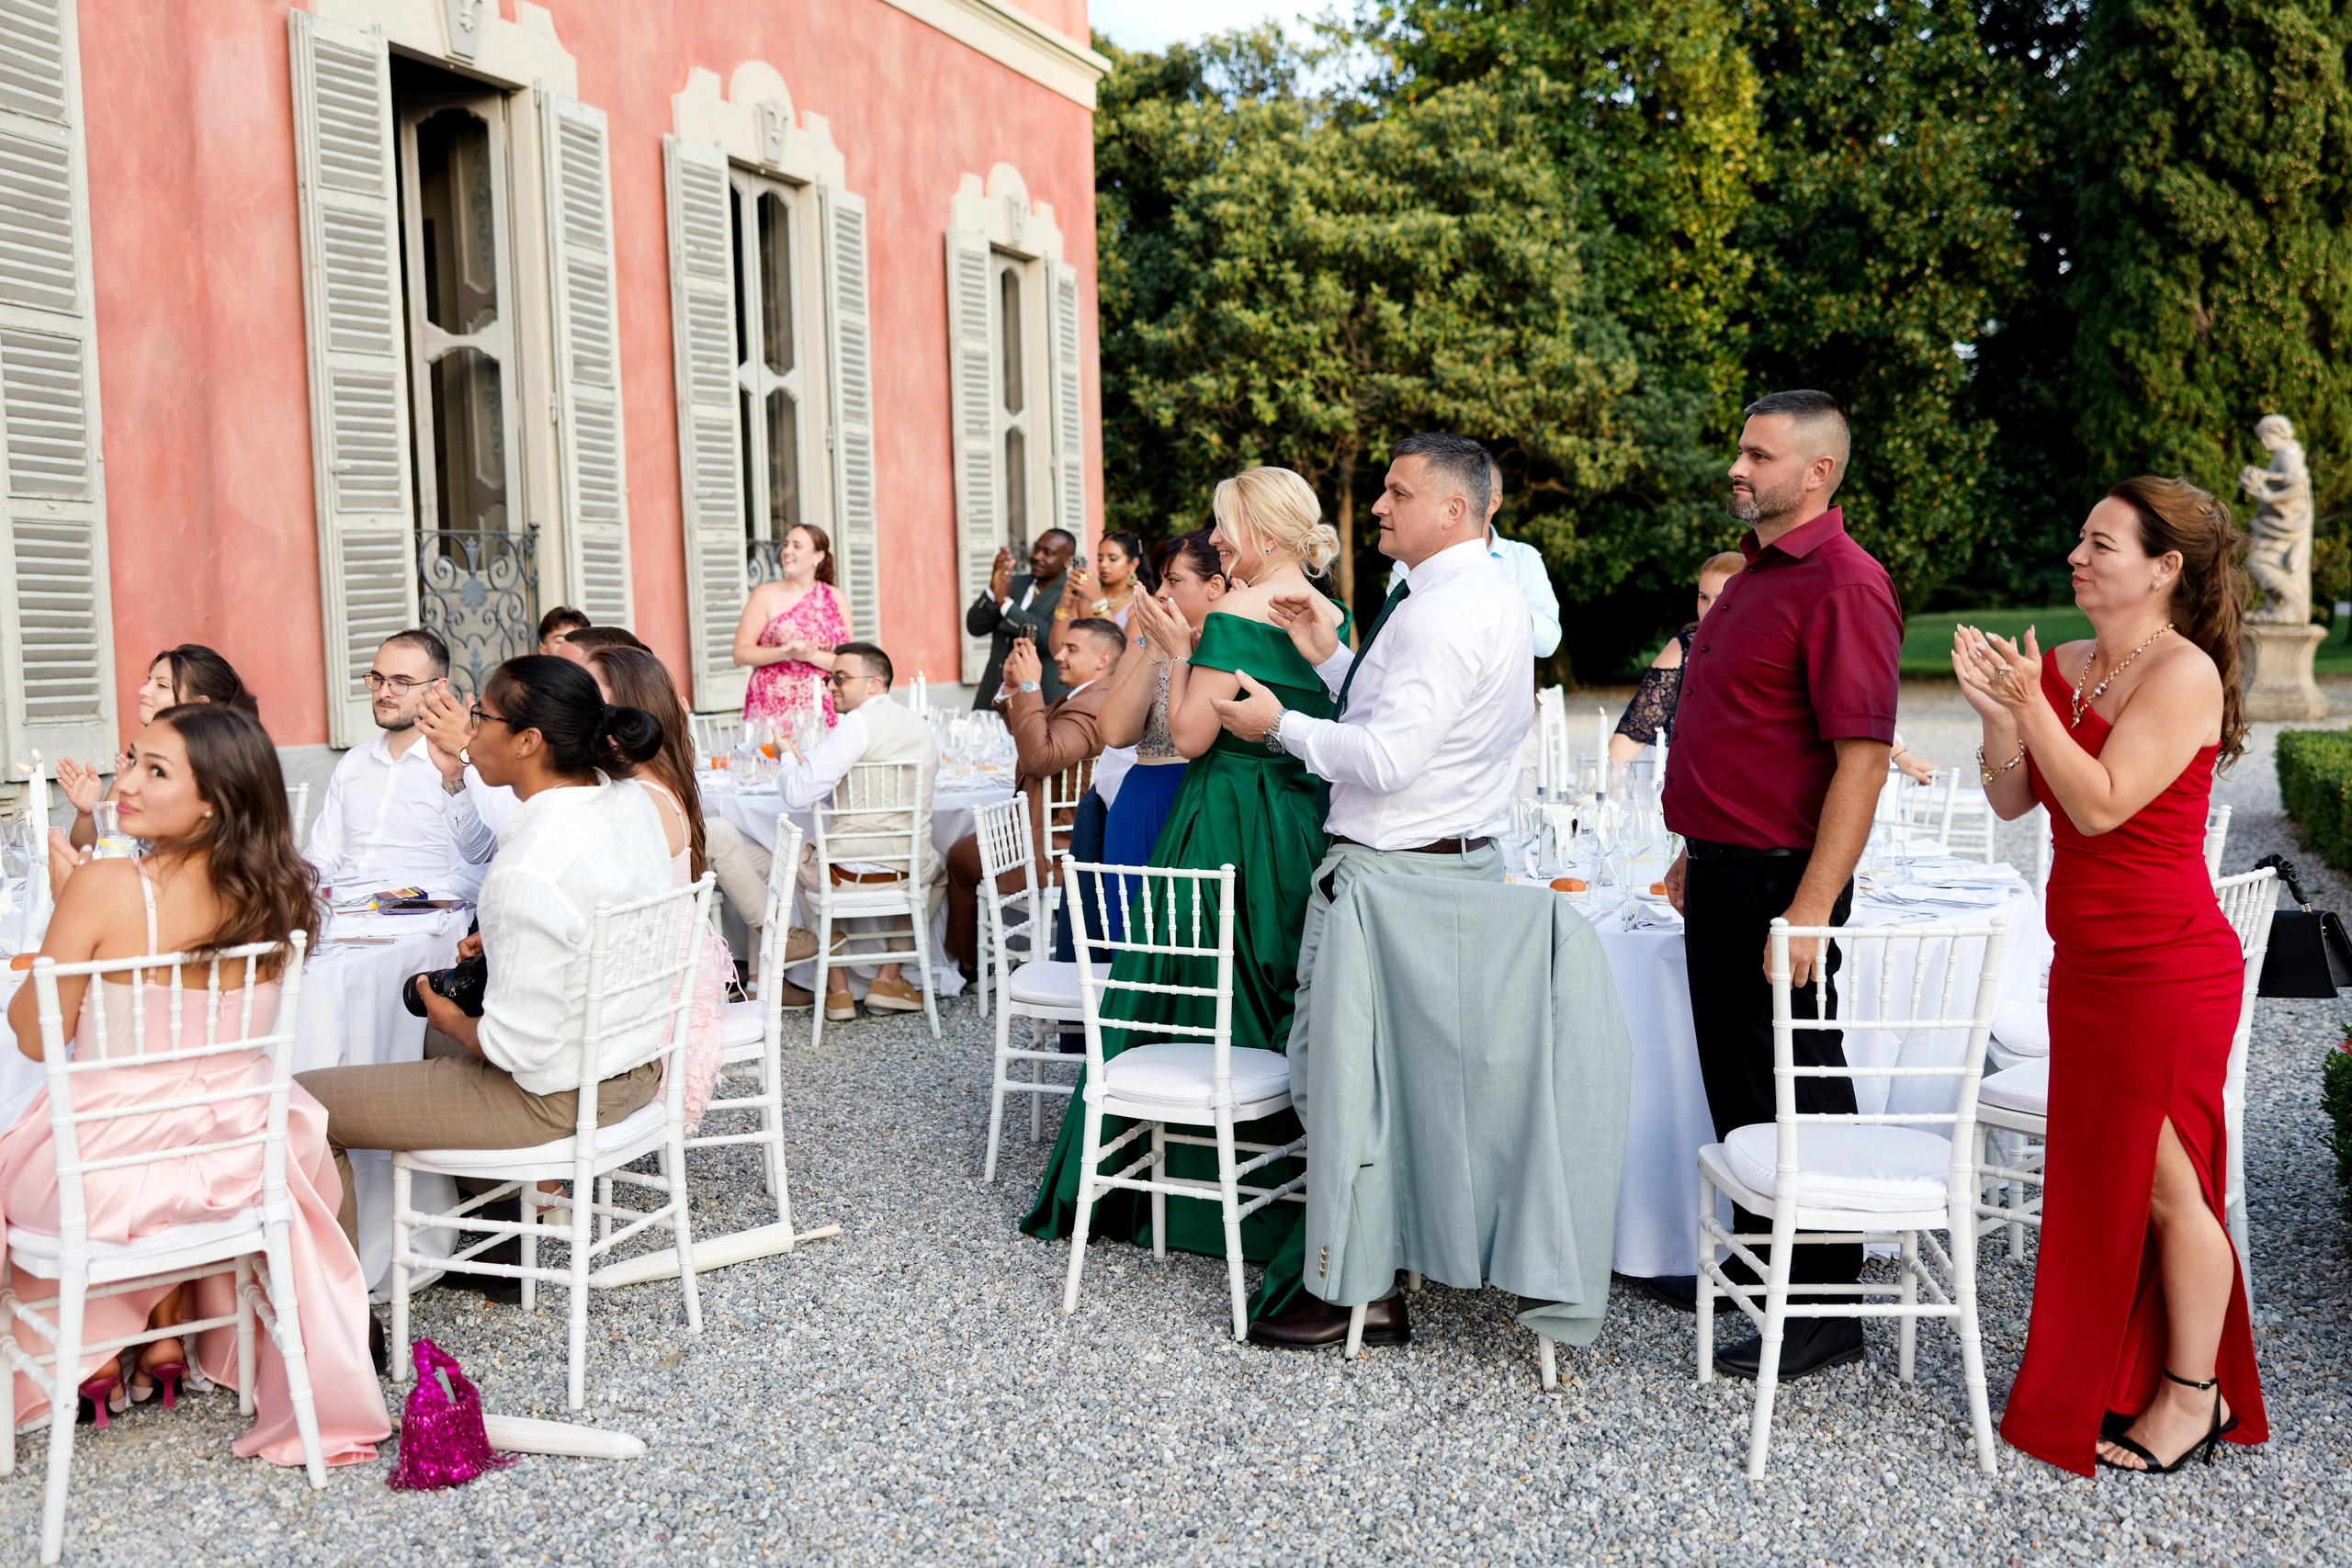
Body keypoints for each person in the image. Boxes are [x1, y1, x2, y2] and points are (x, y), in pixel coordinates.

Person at [1955, 477, 2267, 1475]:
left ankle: (2194, 1397)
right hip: (2086, 968)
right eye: (2078, 540)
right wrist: (2000, 715)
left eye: (2101, 544)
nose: (2077, 558)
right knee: (2114, 1182)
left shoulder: (2180, 675)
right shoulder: (2065, 661)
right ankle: (2136, 1377)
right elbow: (2014, 801)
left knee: (2170, 1187)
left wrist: (2027, 703)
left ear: (2164, 567)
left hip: (2166, 968)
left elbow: (2098, 805)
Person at [1189, 435, 1530, 1348]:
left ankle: (1356, 1294)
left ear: (1451, 510)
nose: (1376, 506)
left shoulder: (1438, 616)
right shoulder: (1462, 598)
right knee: (1338, 1071)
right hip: (1428, 862)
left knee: (1343, 1083)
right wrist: (1328, 660)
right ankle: (1368, 1271)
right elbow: (1391, 721)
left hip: (1393, 874)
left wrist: (1279, 723)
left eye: (1395, 492)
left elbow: (1386, 757)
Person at [1, 705, 388, 1463]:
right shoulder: (280, 893)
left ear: (212, 798)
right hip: (242, 1157)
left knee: (14, 1165)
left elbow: (35, 1034)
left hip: (108, 1175)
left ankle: (89, 1350)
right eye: (133, 760)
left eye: (155, 770)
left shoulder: (107, 886)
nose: (127, 783)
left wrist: (59, 922)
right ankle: (157, 1332)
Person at [1021, 466, 1351, 1311]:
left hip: (1227, 812)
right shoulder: (1319, 610)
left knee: (1200, 976)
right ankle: (1293, 1185)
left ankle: (1173, 1182)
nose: (1221, 537)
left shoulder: (1236, 611)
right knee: (1276, 975)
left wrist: (1176, 652)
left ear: (1261, 532)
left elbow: (1198, 735)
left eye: (1226, 524)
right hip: (1294, 813)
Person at [1645, 390, 1902, 1383]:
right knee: (1739, 1083)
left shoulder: (1840, 582)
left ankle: (1825, 1306)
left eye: (1757, 455)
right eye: (1739, 450)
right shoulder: (1754, 574)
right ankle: (1760, 1268)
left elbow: (1861, 760)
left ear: (1816, 474)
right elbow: (1742, 730)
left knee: (1792, 1082)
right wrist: (1690, 849)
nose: (1736, 469)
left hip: (1778, 884)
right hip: (1720, 868)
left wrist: (1805, 909)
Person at [295, 657, 678, 1252]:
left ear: (527, 741)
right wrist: (502, 946)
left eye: (481, 715)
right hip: (634, 1065)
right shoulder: (625, 801)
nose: (469, 728)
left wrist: (454, 1017)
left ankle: (341, 1319)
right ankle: (496, 1235)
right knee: (430, 1038)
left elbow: (513, 1047)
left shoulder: (529, 866)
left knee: (307, 1103)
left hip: (558, 1098)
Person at [724, 642, 941, 1023]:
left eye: (840, 678)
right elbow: (841, 788)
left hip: (848, 874)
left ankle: (837, 987)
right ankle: (890, 978)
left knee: (789, 864)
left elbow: (797, 793)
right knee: (941, 866)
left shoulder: (856, 725)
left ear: (874, 684)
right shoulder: (917, 724)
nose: (830, 687)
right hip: (909, 869)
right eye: (830, 678)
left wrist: (787, 756)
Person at [580, 645, 731, 1127]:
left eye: (589, 698)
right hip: (655, 966)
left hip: (648, 994)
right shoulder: (643, 785)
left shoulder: (639, 800)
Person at [943, 620, 1116, 976]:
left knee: (960, 856)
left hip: (1054, 843)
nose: (1058, 655)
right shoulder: (1089, 693)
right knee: (963, 851)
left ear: (1103, 659)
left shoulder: (1094, 704)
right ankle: (973, 959)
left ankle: (967, 964)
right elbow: (1031, 732)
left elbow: (1039, 758)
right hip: (1050, 829)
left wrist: (1029, 684)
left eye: (1072, 649)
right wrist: (1012, 686)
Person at [1092, 532, 1230, 912]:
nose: (1160, 593)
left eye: (1174, 581)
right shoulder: (1139, 650)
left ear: (1214, 586)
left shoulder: (1236, 650)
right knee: (1134, 931)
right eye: (1160, 582)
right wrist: (1157, 646)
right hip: (1145, 800)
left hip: (1212, 802)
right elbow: (1115, 733)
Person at [305, 628, 497, 900]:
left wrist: (389, 899)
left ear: (438, 688)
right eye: (378, 679)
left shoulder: (462, 765)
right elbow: (319, 857)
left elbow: (471, 877)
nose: (384, 692)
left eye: (401, 682)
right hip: (340, 916)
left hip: (423, 920)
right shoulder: (353, 762)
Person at [59, 644, 257, 849]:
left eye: (162, 686)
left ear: (200, 704)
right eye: (148, 681)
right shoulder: (139, 761)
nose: (142, 691)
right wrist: (88, 814)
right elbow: (92, 848)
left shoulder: (216, 767)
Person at [1386, 453, 1562, 660]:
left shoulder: (1523, 558)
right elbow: (1398, 634)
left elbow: (1547, 641)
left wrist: (1500, 611)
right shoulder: (1411, 562)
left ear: (1493, 502)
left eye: (1473, 492)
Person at [1609, 552, 1744, 760]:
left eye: (1722, 597)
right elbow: (1634, 732)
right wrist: (1600, 788)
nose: (1709, 609)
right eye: (1703, 597)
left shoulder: (1772, 645)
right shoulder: (1683, 647)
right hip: (1684, 773)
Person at [736, 524, 851, 727]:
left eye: (797, 546)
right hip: (771, 707)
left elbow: (847, 662)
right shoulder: (764, 594)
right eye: (786, 544)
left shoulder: (835, 597)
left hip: (821, 708)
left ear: (818, 556)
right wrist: (784, 653)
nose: (787, 551)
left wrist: (809, 655)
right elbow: (740, 654)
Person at [967, 529, 1076, 709]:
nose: (1037, 557)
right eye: (1036, 549)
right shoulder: (1013, 583)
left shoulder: (1070, 595)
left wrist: (1005, 604)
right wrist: (993, 592)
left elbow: (1050, 639)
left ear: (1067, 560)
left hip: (1039, 701)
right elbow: (974, 626)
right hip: (993, 697)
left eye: (1047, 553)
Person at [1055, 529, 1149, 632]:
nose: (1103, 565)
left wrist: (1099, 604)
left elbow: (1126, 647)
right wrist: (1063, 605)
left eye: (1113, 559)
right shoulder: (1083, 600)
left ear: (1133, 564)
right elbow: (1057, 647)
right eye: (1100, 559)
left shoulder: (1141, 604)